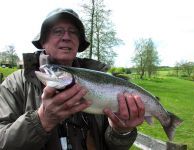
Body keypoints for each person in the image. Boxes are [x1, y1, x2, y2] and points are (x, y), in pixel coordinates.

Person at [0, 8, 145, 150]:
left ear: (79, 43)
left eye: (73, 32)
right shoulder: (14, 84)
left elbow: (112, 146)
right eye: (58, 31)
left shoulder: (102, 80)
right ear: (43, 41)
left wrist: (121, 131)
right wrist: (42, 121)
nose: (66, 37)